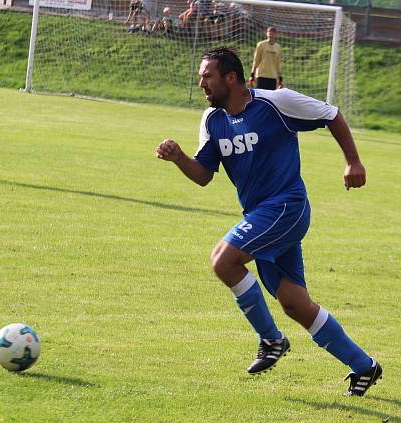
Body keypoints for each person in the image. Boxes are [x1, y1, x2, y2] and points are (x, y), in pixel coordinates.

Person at [156, 47, 382, 396]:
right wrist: (179, 158)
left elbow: (331, 114)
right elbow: (203, 175)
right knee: (294, 304)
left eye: (207, 76)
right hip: (261, 217)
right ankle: (364, 366)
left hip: (287, 208)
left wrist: (353, 161)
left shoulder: (276, 103)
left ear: (230, 77)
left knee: (223, 260)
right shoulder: (211, 120)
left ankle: (271, 340)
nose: (201, 82)